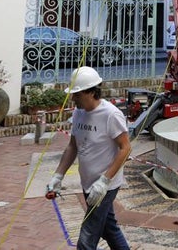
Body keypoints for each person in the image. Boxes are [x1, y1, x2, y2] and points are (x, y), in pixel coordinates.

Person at [46, 66, 131, 250]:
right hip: (88, 183)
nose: (73, 98)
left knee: (86, 239)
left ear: (91, 92)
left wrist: (104, 182)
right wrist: (58, 175)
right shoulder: (79, 112)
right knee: (109, 230)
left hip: (105, 186)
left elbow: (125, 148)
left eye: (77, 94)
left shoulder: (111, 114)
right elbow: (72, 146)